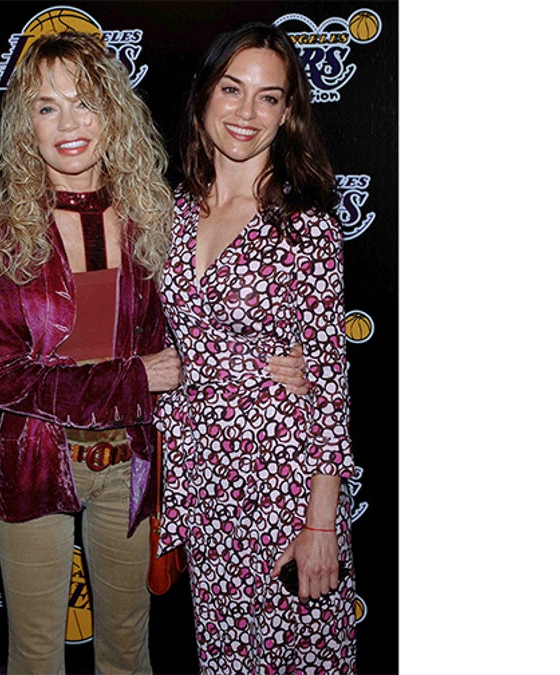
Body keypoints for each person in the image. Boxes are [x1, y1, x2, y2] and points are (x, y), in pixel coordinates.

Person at [0, 30, 308, 674]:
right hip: (37, 458)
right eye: (47, 107)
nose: (69, 124)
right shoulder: (1, 230)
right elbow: (8, 380)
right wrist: (130, 379)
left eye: (86, 102)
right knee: (35, 654)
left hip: (131, 464)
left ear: (113, 113)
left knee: (128, 650)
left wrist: (263, 360)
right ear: (26, 124)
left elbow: (197, 325)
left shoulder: (153, 213)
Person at [153, 22, 358, 673]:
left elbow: (327, 381)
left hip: (282, 485)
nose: (246, 112)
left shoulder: (305, 228)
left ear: (287, 111)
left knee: (299, 656)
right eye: (232, 89)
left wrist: (320, 522)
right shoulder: (169, 214)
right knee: (225, 656)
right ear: (203, 96)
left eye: (268, 97)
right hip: (203, 483)